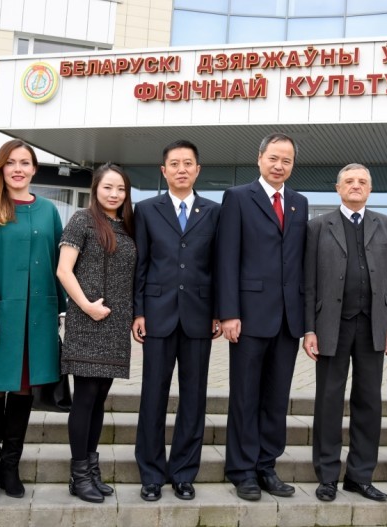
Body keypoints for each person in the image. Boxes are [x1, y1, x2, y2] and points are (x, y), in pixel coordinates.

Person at [0, 139, 65, 500]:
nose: (18, 168)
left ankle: (11, 466)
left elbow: (60, 264)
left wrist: (67, 310)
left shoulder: (48, 211)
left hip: (37, 319)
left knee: (24, 389)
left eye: (25, 162)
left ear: (35, 169)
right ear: (1, 168)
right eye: (11, 163)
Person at [303, 164, 387, 503]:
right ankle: (328, 475)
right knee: (329, 400)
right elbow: (309, 283)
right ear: (338, 187)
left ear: (370, 189)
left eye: (362, 182)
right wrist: (308, 330)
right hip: (331, 324)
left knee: (369, 401)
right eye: (349, 181)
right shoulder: (317, 226)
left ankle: (360, 476)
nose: (356, 186)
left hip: (373, 325)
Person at [216, 133, 308, 501]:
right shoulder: (238, 197)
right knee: (245, 395)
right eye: (273, 158)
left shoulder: (300, 203)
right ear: (259, 159)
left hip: (288, 319)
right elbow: (227, 258)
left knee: (276, 397)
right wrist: (229, 313)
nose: (278, 165)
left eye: (286, 160)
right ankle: (241, 471)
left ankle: (266, 466)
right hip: (249, 317)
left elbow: (299, 262)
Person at [132, 141, 221, 502]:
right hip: (157, 315)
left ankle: (184, 472)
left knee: (194, 398)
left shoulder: (214, 211)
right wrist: (138, 311)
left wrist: (219, 311)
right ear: (163, 170)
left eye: (188, 163)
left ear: (198, 170)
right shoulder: (146, 210)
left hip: (199, 316)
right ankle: (151, 474)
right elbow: (140, 264)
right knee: (153, 395)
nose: (181, 169)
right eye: (174, 163)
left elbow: (219, 266)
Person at [56, 163, 136, 503]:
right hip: (88, 321)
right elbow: (63, 269)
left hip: (115, 324)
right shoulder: (82, 220)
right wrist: (87, 306)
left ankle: (91, 468)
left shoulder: (128, 225)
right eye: (108, 187)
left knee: (100, 399)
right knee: (85, 399)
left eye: (120, 189)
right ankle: (78, 475)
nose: (114, 194)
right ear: (96, 189)